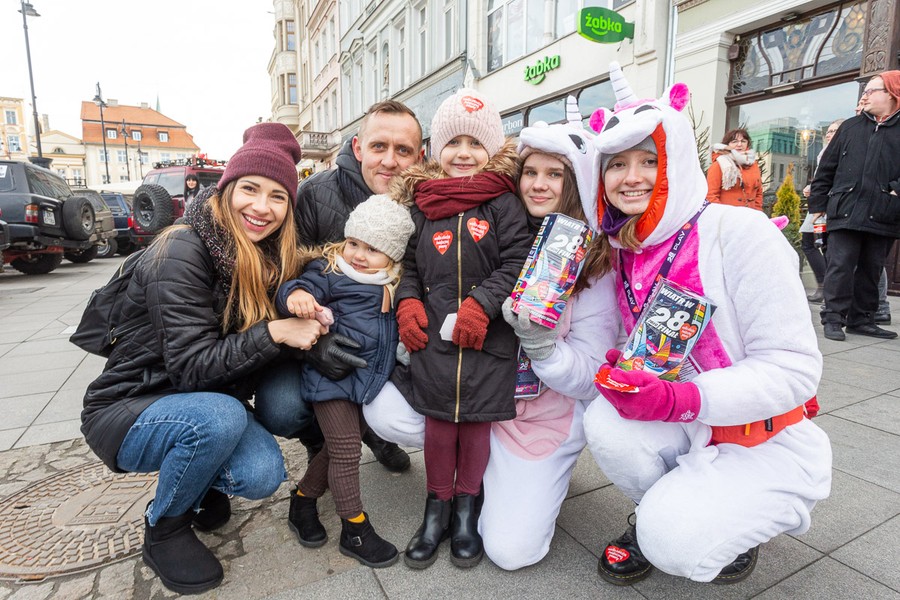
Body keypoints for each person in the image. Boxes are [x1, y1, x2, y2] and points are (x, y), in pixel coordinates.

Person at [582, 62, 831, 586]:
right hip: (689, 426)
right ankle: (662, 509)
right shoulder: (624, 249)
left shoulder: (741, 231)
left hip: (764, 438)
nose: (631, 177)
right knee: (605, 420)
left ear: (675, 161)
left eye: (649, 160)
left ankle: (738, 517)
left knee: (675, 544)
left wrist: (683, 398)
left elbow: (793, 368)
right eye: (617, 164)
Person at [81, 123, 324, 595]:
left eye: (277, 196)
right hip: (132, 405)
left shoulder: (263, 255)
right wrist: (275, 331)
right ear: (226, 189)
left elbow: (311, 263)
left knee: (262, 474)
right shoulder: (182, 248)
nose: (262, 207)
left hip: (205, 400)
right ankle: (164, 527)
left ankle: (199, 481)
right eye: (250, 189)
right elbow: (192, 368)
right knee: (219, 417)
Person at [393, 88, 532, 569]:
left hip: (486, 339)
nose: (464, 153)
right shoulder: (422, 205)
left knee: (475, 426)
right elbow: (409, 265)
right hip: (434, 341)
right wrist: (407, 301)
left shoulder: (503, 203)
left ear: (492, 149)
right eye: (454, 142)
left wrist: (482, 304)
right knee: (438, 424)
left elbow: (517, 262)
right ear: (437, 149)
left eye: (476, 143)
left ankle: (467, 507)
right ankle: (437, 506)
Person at [268, 100, 425, 473]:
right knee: (283, 408)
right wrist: (313, 346)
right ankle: (319, 439)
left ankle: (374, 432)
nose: (389, 161)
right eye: (378, 146)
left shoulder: (426, 204)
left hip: (386, 338)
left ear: (420, 157)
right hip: (317, 335)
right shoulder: (315, 195)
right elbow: (281, 280)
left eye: (403, 150)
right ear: (358, 148)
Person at [275, 194, 415, 568]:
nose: (358, 255)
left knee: (336, 449)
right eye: (353, 243)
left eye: (372, 249)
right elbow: (296, 288)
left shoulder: (394, 282)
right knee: (347, 450)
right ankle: (354, 528)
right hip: (330, 379)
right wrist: (298, 296)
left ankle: (303, 500)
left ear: (392, 255)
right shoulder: (330, 272)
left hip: (367, 383)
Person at [809, 70, 900, 341]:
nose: (865, 95)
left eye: (872, 90)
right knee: (840, 265)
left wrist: (896, 189)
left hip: (883, 210)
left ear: (892, 94)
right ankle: (833, 319)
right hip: (845, 208)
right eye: (865, 90)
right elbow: (826, 169)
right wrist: (818, 205)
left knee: (872, 269)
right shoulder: (850, 127)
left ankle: (862, 320)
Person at [801, 119, 843, 303]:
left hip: (827, 207)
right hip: (818, 205)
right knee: (812, 243)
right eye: (829, 131)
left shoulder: (840, 153)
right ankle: (824, 287)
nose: (829, 134)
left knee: (818, 244)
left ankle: (826, 287)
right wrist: (812, 188)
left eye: (834, 131)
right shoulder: (823, 153)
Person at [705, 128, 764, 210]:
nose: (739, 144)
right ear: (727, 145)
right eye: (734, 141)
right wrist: (724, 214)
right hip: (728, 215)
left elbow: (758, 192)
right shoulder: (718, 165)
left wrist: (757, 211)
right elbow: (711, 195)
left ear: (748, 143)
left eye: (743, 141)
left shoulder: (753, 164)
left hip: (751, 215)